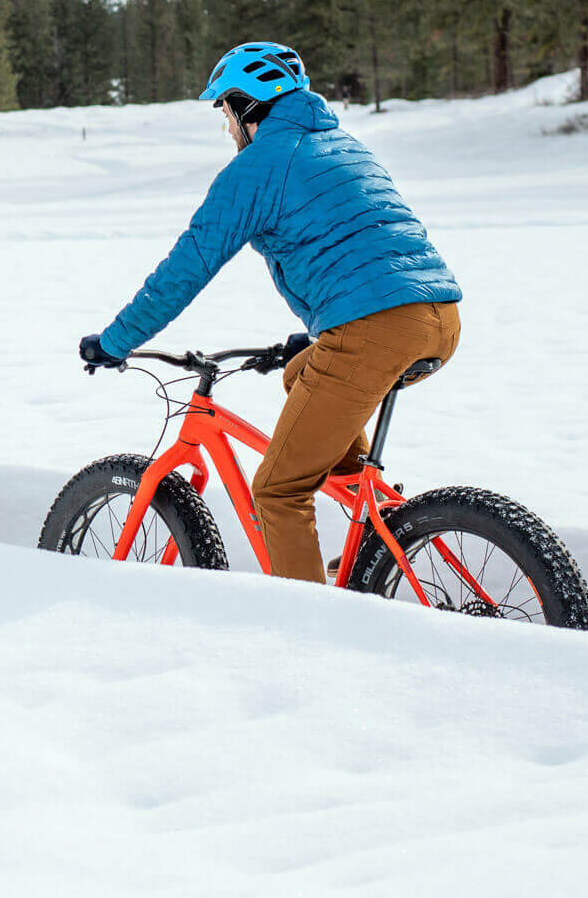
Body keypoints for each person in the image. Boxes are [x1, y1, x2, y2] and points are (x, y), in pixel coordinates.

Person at [79, 42, 462, 583]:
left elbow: (185, 270)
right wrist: (324, 332)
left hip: (374, 328)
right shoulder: (343, 145)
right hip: (437, 316)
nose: (227, 129)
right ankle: (374, 532)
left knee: (278, 491)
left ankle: (309, 631)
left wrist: (116, 341)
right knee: (301, 374)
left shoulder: (259, 165)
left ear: (245, 106)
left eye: (225, 113)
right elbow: (366, 243)